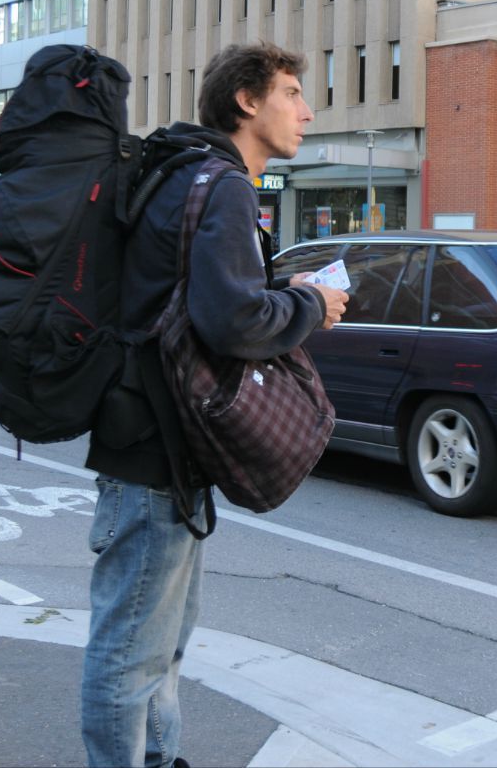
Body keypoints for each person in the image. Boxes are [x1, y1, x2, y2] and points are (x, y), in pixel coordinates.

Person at [80, 41, 348, 768]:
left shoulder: (180, 171)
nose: (306, 109)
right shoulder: (222, 184)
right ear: (247, 101)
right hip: (153, 445)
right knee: (133, 643)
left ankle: (162, 758)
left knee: (160, 638)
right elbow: (232, 320)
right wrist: (308, 303)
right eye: (291, 92)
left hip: (156, 438)